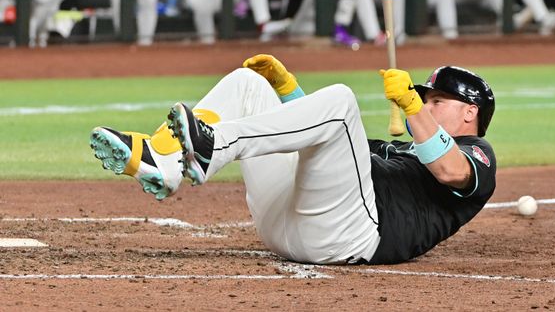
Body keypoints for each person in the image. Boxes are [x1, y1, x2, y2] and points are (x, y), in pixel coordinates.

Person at [90, 55, 496, 265]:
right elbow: (318, 144)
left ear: (469, 113)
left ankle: (212, 147)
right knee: (249, 83)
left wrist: (410, 106)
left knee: (341, 100)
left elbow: (449, 169)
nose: (426, 104)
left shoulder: (478, 156)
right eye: (423, 98)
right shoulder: (400, 151)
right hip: (290, 225)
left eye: (436, 100)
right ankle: (166, 161)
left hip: (351, 238)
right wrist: (287, 90)